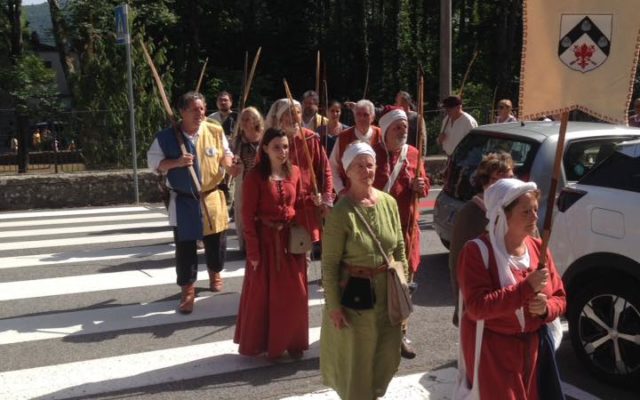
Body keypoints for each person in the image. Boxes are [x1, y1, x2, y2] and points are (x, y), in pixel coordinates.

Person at [457, 178, 567, 399]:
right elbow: (477, 307)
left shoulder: (538, 248)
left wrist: (546, 309)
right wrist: (526, 289)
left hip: (534, 353)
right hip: (494, 355)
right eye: (526, 212)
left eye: (535, 210)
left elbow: (560, 298)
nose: (535, 217)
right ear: (503, 215)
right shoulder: (477, 252)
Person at [320, 141, 408, 400]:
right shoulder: (341, 212)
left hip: (388, 295)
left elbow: (400, 249)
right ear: (347, 170)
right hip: (355, 299)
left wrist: (404, 288)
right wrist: (334, 307)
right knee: (357, 361)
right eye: (358, 165)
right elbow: (329, 264)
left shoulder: (389, 203)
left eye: (369, 164)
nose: (365, 170)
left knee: (385, 354)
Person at [147, 91, 233, 314]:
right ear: (182, 112)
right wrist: (176, 162)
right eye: (194, 110)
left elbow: (226, 154)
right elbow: (154, 163)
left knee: (216, 242)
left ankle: (215, 272)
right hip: (184, 200)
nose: (200, 113)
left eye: (202, 108)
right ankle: (188, 289)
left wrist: (232, 165)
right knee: (185, 248)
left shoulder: (214, 129)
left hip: (212, 195)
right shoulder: (167, 137)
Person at [234, 128, 309, 359]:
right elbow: (247, 217)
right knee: (266, 298)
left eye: (285, 146)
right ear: (264, 148)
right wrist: (253, 253)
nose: (282, 151)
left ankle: (294, 341)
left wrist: (314, 202)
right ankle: (269, 345)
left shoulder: (295, 172)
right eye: (277, 146)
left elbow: (301, 205)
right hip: (266, 245)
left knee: (297, 293)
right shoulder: (255, 176)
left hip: (290, 244)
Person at [373, 106, 429, 359]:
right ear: (385, 129)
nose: (403, 131)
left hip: (407, 233)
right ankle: (379, 334)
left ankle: (402, 334)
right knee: (381, 287)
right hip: (380, 234)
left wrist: (421, 185)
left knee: (405, 287)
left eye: (405, 126)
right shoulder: (372, 155)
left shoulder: (414, 154)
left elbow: (424, 184)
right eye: (398, 127)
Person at [449, 152, 514, 326]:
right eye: (498, 180)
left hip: (513, 298)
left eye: (509, 179)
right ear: (485, 182)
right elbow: (457, 263)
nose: (506, 185)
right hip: (485, 302)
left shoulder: (516, 209)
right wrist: (461, 306)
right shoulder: (471, 213)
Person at [277, 99, 333, 245]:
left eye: (298, 113)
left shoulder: (310, 138)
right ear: (281, 117)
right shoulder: (272, 141)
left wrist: (326, 199)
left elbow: (325, 169)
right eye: (290, 113)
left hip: (305, 205)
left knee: (302, 254)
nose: (295, 117)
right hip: (278, 206)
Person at [228, 107, 265, 252]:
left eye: (247, 119)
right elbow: (230, 157)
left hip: (262, 180)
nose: (243, 122)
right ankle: (245, 246)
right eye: (242, 119)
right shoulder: (237, 140)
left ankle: (262, 245)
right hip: (243, 181)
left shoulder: (264, 138)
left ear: (256, 120)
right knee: (243, 214)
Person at [330, 99, 382, 195]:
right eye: (358, 114)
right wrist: (340, 190)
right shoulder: (343, 137)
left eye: (365, 115)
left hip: (377, 193)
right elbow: (333, 166)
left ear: (373, 117)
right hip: (350, 194)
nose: (361, 118)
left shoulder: (381, 135)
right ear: (354, 117)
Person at [394, 91, 427, 156]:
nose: (396, 104)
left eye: (398, 102)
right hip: (398, 154)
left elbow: (422, 138)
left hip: (412, 154)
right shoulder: (396, 117)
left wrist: (421, 156)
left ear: (405, 102)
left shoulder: (416, 118)